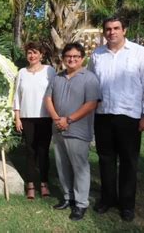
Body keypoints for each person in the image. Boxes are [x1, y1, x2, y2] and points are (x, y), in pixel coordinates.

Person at [89, 17, 144, 222]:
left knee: (128, 162)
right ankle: (107, 199)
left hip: (129, 116)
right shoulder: (97, 55)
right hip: (103, 115)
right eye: (108, 29)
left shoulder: (139, 53)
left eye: (116, 28)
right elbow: (92, 83)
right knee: (105, 159)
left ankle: (127, 205)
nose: (112, 32)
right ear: (104, 32)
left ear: (124, 30)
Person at [45, 42, 101, 221]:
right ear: (63, 59)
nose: (72, 59)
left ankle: (81, 203)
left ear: (82, 58)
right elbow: (48, 99)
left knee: (80, 168)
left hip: (78, 130)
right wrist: (56, 119)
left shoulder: (89, 78)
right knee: (62, 167)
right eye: (68, 56)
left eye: (76, 56)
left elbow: (91, 103)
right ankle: (68, 198)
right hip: (58, 129)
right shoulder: (57, 77)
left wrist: (68, 119)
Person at [13, 42, 56, 199]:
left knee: (43, 151)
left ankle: (44, 183)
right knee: (30, 151)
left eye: (35, 52)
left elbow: (55, 93)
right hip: (27, 118)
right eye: (29, 53)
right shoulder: (22, 72)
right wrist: (17, 118)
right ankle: (30, 183)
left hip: (45, 117)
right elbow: (17, 96)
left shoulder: (50, 71)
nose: (32, 56)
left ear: (41, 55)